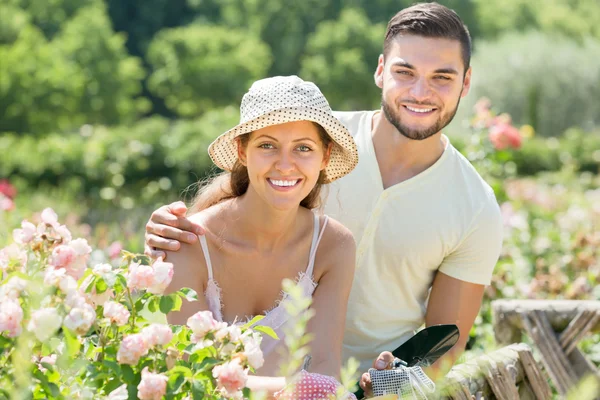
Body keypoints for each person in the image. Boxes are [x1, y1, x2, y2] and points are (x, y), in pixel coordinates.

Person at [146, 2, 503, 397]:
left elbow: (440, 351)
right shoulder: (313, 138)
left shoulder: (475, 208)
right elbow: (246, 188)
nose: (421, 92)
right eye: (405, 71)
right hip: (258, 378)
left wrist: (389, 383)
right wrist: (176, 223)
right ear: (381, 70)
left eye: (442, 77)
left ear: (466, 83)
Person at [162, 75, 359, 398]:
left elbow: (324, 364)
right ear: (242, 151)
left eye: (303, 148)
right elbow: (189, 375)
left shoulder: (334, 246)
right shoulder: (188, 243)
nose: (285, 165)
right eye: (267, 145)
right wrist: (293, 389)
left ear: (324, 158)